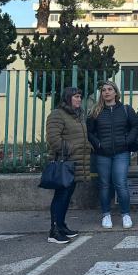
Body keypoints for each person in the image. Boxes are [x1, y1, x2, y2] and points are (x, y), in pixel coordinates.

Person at [88, 81, 138, 230]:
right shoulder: (95, 111)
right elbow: (89, 131)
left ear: (115, 92)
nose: (106, 92)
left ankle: (125, 214)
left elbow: (136, 126)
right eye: (103, 90)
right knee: (104, 185)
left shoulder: (125, 109)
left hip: (121, 152)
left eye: (110, 89)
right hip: (102, 154)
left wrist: (127, 141)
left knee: (121, 183)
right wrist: (97, 143)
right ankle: (106, 215)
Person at [45, 87, 89, 244]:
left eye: (80, 97)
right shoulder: (57, 114)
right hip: (64, 163)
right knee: (61, 196)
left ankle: (62, 226)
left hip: (75, 163)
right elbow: (53, 138)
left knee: (66, 196)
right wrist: (71, 149)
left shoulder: (78, 115)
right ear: (68, 98)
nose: (79, 99)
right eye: (76, 97)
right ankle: (54, 231)